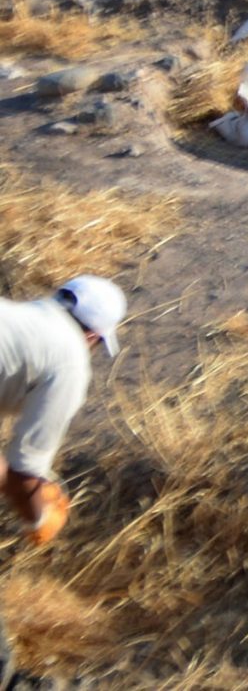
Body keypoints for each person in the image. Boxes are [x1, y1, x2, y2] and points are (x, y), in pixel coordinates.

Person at [0, 275, 125, 670]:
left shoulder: (20, 320)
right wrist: (40, 514)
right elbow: (24, 472)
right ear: (94, 337)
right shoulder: (70, 358)